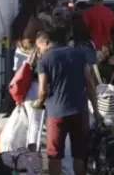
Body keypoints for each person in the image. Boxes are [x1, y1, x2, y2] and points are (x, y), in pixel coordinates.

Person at [36, 31, 104, 175]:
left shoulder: (44, 59)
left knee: (54, 155)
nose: (38, 51)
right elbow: (89, 85)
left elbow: (42, 91)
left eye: (38, 47)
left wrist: (39, 103)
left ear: (45, 42)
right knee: (79, 154)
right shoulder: (79, 54)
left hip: (56, 113)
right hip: (80, 110)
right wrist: (96, 112)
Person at [12, 23, 45, 151]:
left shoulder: (28, 53)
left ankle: (29, 151)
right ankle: (33, 152)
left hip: (29, 90)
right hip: (39, 89)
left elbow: (18, 73)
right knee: (36, 123)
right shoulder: (42, 54)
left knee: (31, 123)